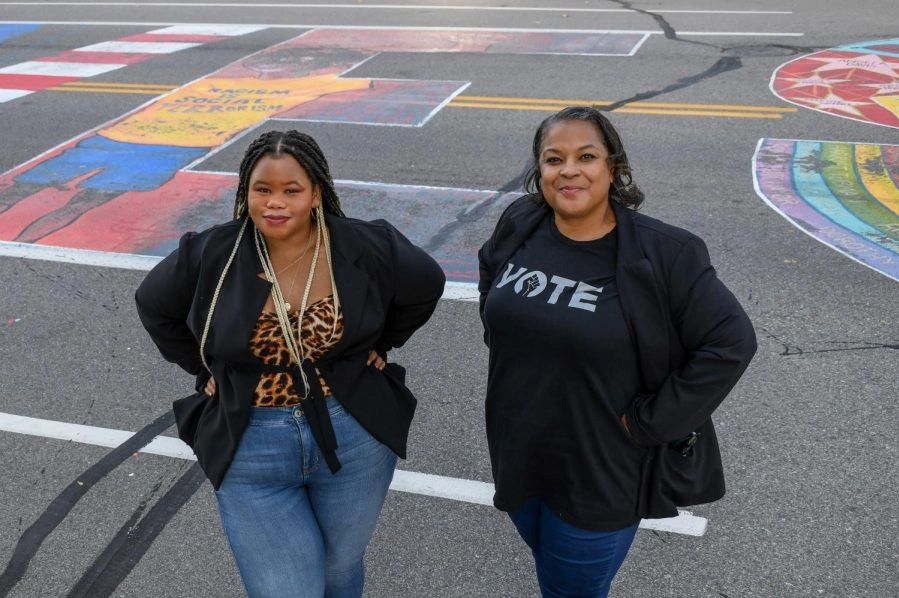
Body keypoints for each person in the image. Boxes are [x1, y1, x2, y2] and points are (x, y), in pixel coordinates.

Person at [135, 130, 445, 598]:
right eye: (262, 189)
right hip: (251, 441)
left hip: (352, 434)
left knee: (339, 567)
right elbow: (154, 305)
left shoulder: (364, 245)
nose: (274, 203)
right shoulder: (213, 254)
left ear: (316, 193)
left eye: (291, 190)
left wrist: (383, 344)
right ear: (246, 192)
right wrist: (204, 371)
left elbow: (426, 283)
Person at [478, 107, 757, 597]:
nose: (568, 170)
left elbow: (731, 342)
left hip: (600, 472)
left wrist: (650, 423)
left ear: (613, 167)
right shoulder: (520, 221)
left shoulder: (664, 253)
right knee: (553, 574)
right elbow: (490, 281)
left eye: (586, 156)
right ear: (538, 170)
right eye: (553, 158)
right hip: (519, 452)